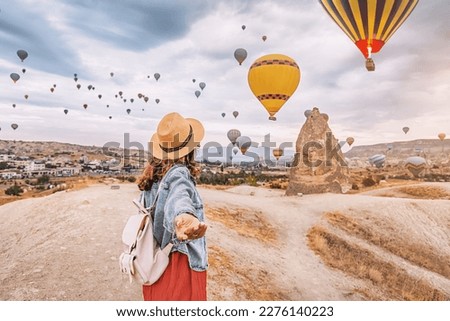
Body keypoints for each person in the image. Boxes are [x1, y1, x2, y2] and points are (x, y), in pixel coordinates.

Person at [136, 112, 208, 301]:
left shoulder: (151, 178)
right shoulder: (179, 174)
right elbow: (179, 196)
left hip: (155, 262)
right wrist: (183, 217)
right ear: (191, 148)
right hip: (178, 264)